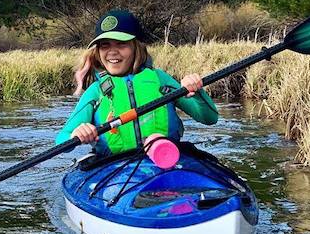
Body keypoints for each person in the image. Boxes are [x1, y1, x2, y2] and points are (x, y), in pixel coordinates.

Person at [55, 9, 218, 155]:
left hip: (164, 159)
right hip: (115, 168)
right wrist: (76, 134)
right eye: (105, 45)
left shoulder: (160, 80)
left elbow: (209, 118)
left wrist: (196, 92)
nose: (112, 51)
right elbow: (61, 140)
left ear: (136, 47)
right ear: (98, 52)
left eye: (121, 44)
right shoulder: (95, 91)